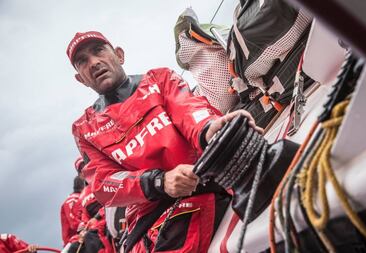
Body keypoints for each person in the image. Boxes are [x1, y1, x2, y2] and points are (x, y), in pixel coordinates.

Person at [67, 31, 262, 253]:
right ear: (80, 79)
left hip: (207, 185)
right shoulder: (84, 129)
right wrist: (160, 181)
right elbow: (105, 184)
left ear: (119, 55)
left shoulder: (159, 79)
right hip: (154, 217)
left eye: (98, 50)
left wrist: (210, 130)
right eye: (82, 61)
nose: (93, 63)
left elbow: (189, 110)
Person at [60, 172, 85, 246]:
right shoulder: (72, 201)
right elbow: (74, 223)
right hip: (74, 243)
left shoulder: (83, 198)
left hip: (84, 238)